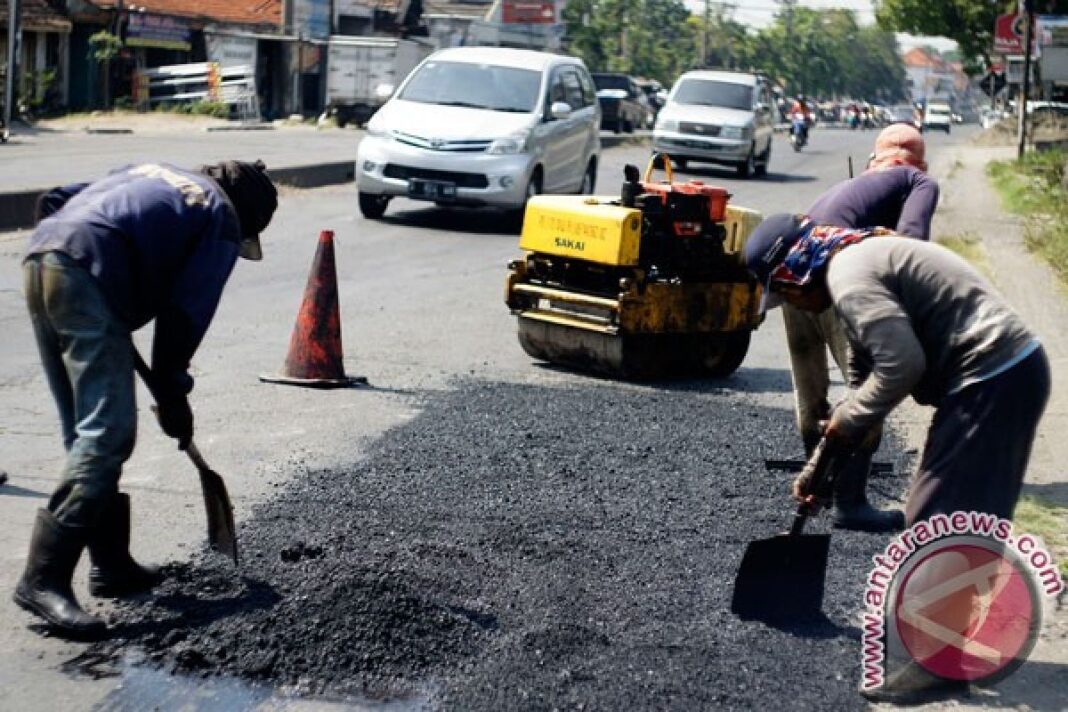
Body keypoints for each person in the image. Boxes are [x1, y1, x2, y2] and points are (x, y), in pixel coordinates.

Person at [744, 214, 1050, 703]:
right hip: (1003, 376)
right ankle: (948, 647)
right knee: (960, 519)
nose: (795, 306)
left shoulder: (848, 276)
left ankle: (936, 666)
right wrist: (819, 471)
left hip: (992, 378)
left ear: (795, 271)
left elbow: (903, 366)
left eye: (787, 294)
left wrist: (845, 423)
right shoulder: (856, 259)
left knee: (939, 519)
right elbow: (865, 382)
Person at [15, 160, 278, 638]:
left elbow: (54, 199)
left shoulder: (152, 171)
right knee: (108, 433)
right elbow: (183, 315)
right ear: (247, 216)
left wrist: (77, 271)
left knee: (85, 430)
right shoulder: (220, 215)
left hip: (43, 259)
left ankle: (111, 565)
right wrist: (172, 390)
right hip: (83, 279)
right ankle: (42, 578)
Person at [780, 123, 938, 532]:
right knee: (867, 386)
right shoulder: (915, 180)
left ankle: (819, 486)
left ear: (874, 160)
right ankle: (849, 501)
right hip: (838, 284)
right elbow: (911, 246)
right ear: (919, 163)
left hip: (795, 284)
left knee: (810, 390)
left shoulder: (851, 187)